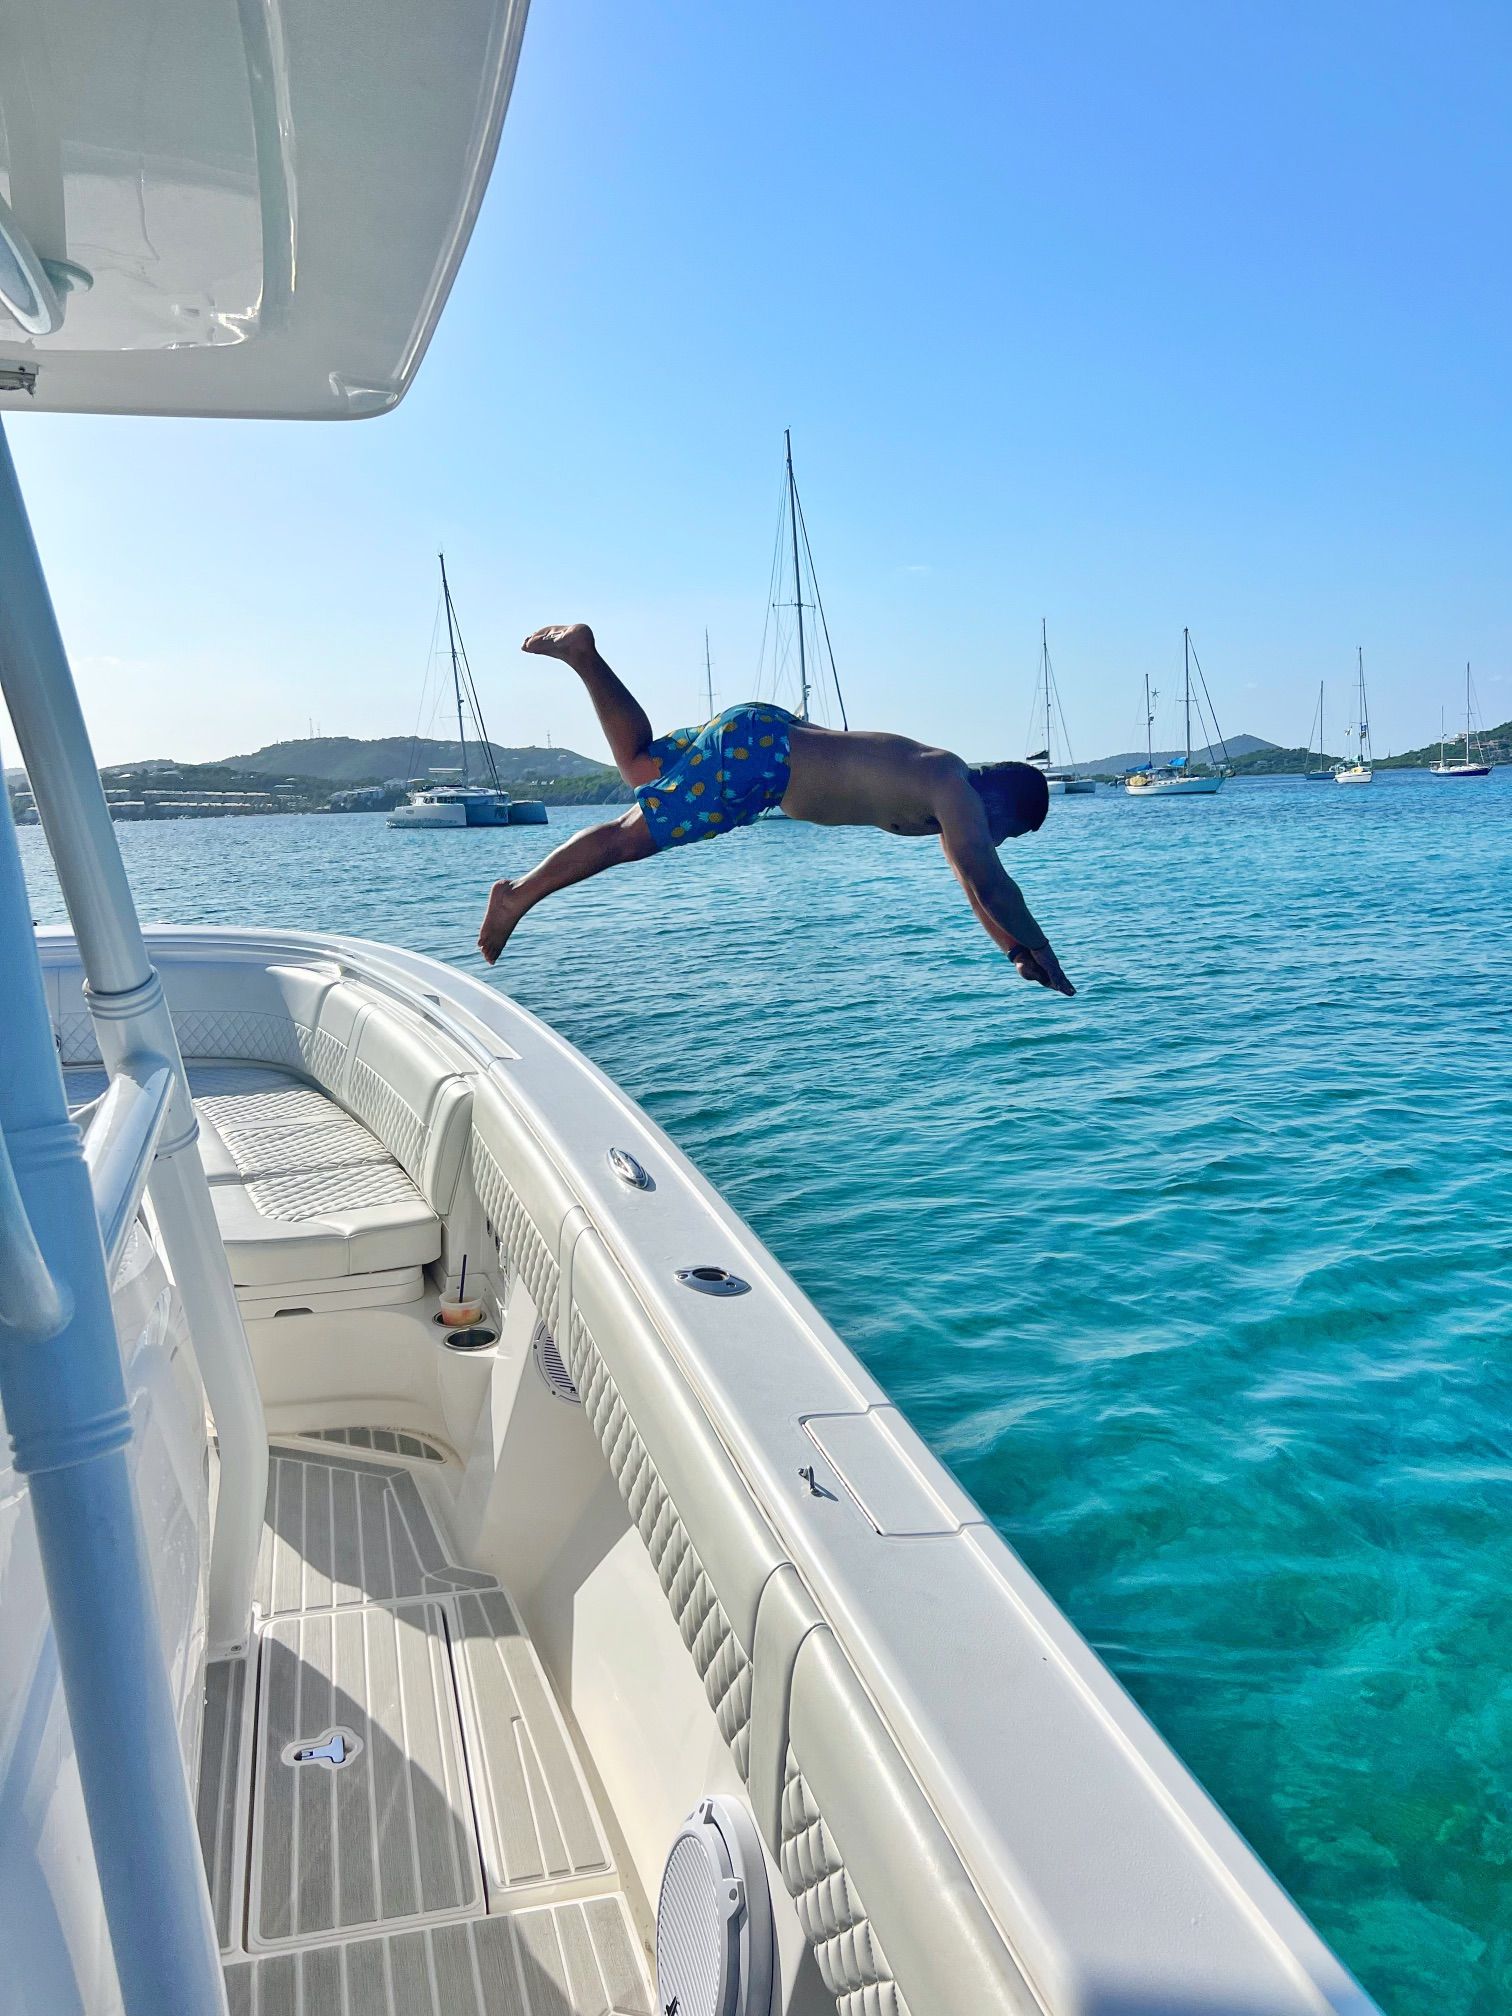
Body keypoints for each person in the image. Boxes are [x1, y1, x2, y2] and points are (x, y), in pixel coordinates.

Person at [477, 625, 1074, 996]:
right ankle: (516, 897)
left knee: (640, 767)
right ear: (1001, 799)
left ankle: (584, 657)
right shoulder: (956, 789)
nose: (1001, 839)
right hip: (762, 763)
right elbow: (987, 881)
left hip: (761, 735)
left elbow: (971, 883)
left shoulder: (942, 784)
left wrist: (1016, 952)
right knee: (628, 838)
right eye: (1011, 830)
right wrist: (1045, 954)